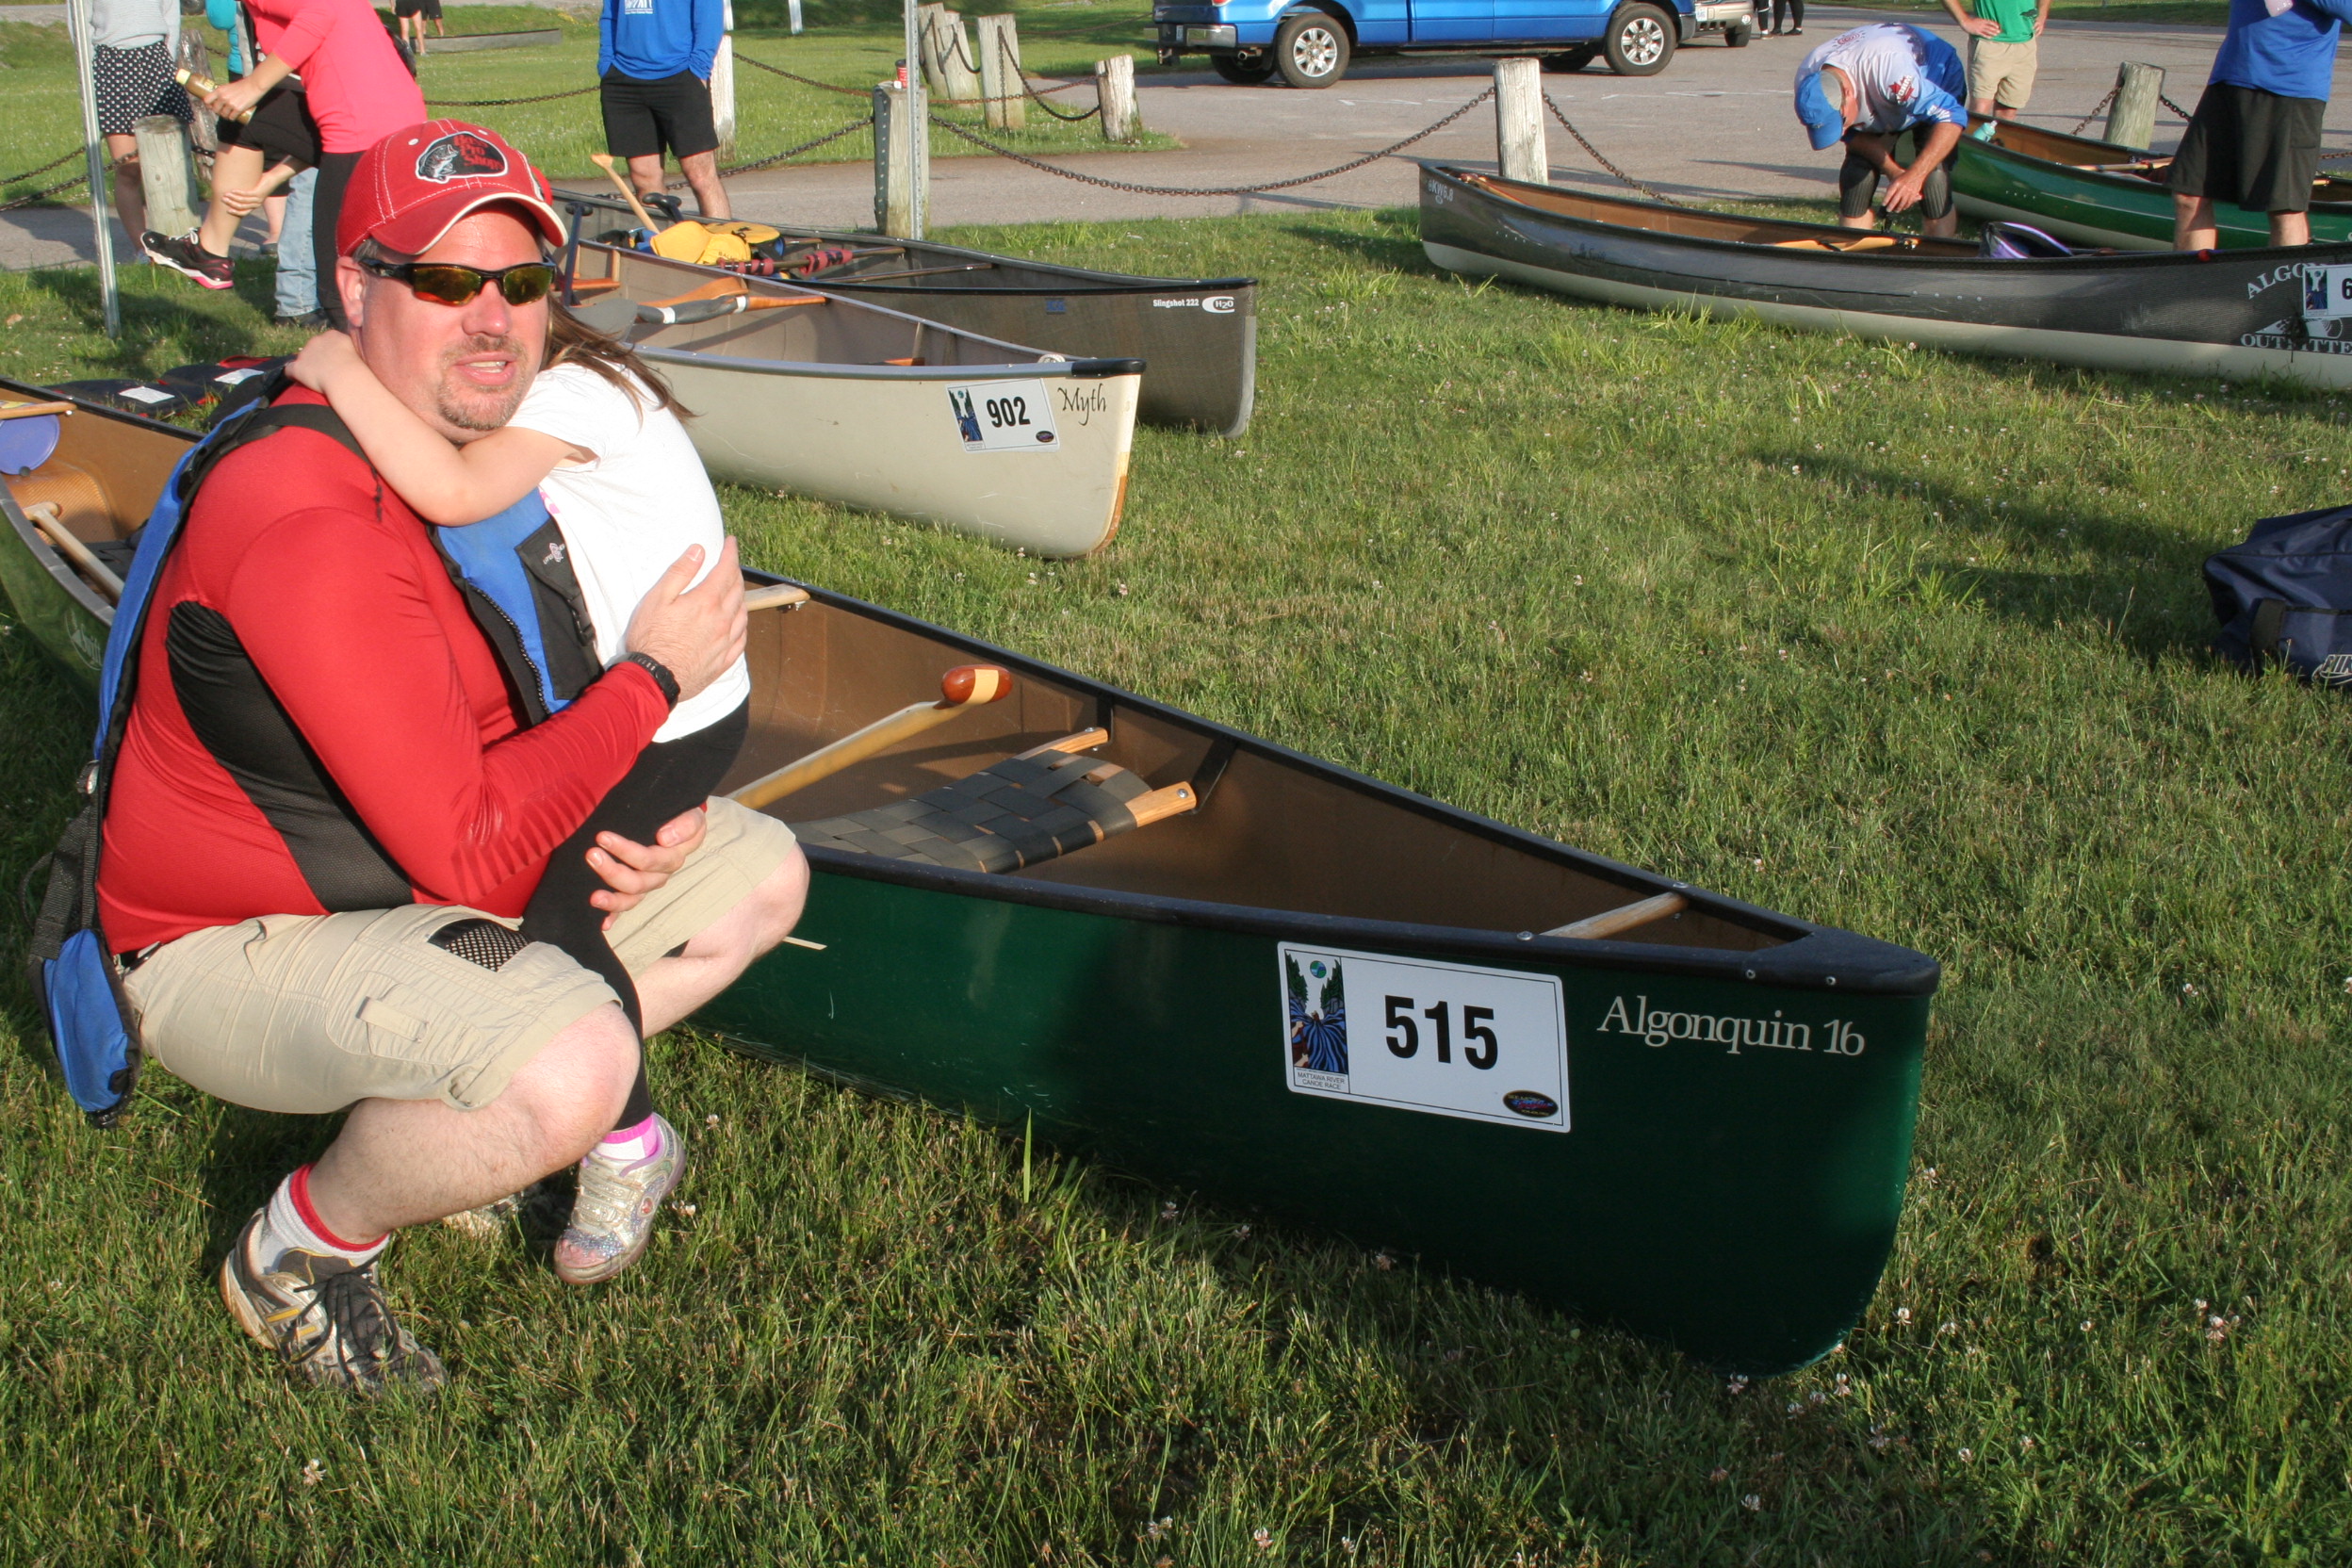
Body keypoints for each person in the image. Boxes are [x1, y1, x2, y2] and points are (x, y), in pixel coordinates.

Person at [98, 120, 808, 1391]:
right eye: (442, 281)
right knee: (573, 1061)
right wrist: (650, 686)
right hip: (233, 940)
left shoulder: (441, 452)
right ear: (358, 290)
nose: (492, 318)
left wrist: (636, 804)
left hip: (397, 876)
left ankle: (481, 1102)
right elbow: (470, 843)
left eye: (520, 283)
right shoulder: (307, 514)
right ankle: (297, 1255)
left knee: (766, 876)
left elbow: (487, 733)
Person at [283, 294, 751, 1282]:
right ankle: (510, 1094)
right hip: (669, 697)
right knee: (540, 900)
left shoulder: (577, 393)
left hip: (675, 709)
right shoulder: (590, 383)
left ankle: (630, 1143)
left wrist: (337, 370)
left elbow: (452, 492)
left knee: (557, 927)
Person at [148, 0, 424, 329]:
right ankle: (208, 252)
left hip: (360, 135)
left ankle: (372, 370)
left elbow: (322, 11)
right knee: (243, 118)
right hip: (400, 128)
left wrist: (253, 84)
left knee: (340, 294)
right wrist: (269, 180)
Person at [2170, 0, 2352, 250]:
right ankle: (2191, 286)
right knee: (2189, 194)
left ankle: (2285, 286)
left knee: (2283, 207)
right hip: (2229, 79)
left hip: (2289, 91)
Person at [1793, 22, 1970, 239]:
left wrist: (1915, 176)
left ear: (1848, 93)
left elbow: (1951, 116)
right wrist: (1894, 171)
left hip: (1935, 74)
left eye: (1843, 121)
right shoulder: (1809, 80)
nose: (1844, 130)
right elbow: (1851, 136)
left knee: (1933, 179)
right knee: (1858, 173)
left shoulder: (1890, 71)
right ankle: (1851, 259)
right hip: (1881, 92)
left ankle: (1939, 261)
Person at [600, 0, 731, 220]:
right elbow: (610, 14)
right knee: (644, 179)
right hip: (624, 79)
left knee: (700, 175)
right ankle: (659, 249)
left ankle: (723, 248)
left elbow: (709, 16)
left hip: (680, 75)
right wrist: (606, 63)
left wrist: (698, 67)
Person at [90, 0, 192, 244]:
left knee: (170, 165)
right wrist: (95, 68)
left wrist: (168, 57)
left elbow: (170, 13)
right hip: (111, 62)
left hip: (156, 58)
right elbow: (80, 26)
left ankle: (180, 241)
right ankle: (143, 248)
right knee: (128, 169)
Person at [1941, 0, 2048, 121]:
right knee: (1980, 109)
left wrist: (2042, 14)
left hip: (2025, 44)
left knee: (2008, 111)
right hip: (1990, 43)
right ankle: (1972, 139)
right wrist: (1965, 21)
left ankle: (1998, 140)